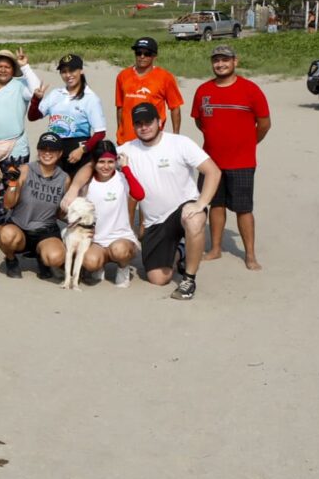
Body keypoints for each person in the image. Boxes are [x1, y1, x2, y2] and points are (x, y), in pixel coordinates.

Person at [119, 102, 221, 300]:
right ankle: (181, 250)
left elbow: (213, 171)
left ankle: (189, 279)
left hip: (184, 208)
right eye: (138, 123)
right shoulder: (126, 150)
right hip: (155, 221)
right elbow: (97, 163)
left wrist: (201, 203)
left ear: (159, 121)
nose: (144, 127)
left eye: (149, 122)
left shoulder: (179, 143)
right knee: (158, 278)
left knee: (194, 219)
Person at [191, 44, 271, 270]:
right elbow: (199, 121)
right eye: (216, 60)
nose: (220, 64)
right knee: (215, 204)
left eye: (225, 60)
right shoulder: (203, 90)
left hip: (242, 161)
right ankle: (215, 248)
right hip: (211, 162)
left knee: (243, 208)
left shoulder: (251, 90)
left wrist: (248, 143)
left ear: (235, 62)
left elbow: (264, 124)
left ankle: (250, 255)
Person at [65, 141, 143, 287]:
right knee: (90, 261)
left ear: (116, 161)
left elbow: (139, 194)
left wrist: (125, 168)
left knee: (120, 251)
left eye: (110, 162)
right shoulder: (87, 182)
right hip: (97, 239)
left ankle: (123, 268)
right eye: (101, 162)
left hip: (121, 237)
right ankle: (100, 266)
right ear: (94, 162)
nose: (106, 166)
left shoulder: (122, 178)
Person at [0, 132, 71, 280]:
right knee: (6, 236)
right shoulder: (24, 170)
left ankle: (42, 258)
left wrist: (79, 222)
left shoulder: (64, 179)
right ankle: (11, 260)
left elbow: (60, 212)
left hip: (45, 230)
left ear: (60, 153)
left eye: (52, 150)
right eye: (43, 149)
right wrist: (12, 184)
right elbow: (8, 204)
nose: (47, 153)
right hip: (20, 227)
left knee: (56, 258)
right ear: (38, 151)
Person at [0, 48, 41, 224]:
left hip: (16, 147)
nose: (3, 70)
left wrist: (25, 66)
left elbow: (36, 89)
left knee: (14, 187)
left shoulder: (20, 86)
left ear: (13, 69)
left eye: (7, 67)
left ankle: (13, 226)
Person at [35, 53, 107, 174]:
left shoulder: (91, 98)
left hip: (78, 151)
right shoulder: (56, 93)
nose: (68, 75)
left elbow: (100, 133)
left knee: (76, 190)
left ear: (81, 71)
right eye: (64, 71)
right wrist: (36, 99)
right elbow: (33, 116)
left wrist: (82, 150)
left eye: (72, 70)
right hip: (55, 148)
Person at [114, 36, 183, 144]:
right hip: (126, 141)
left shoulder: (165, 77)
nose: (142, 56)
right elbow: (120, 107)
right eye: (138, 52)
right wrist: (120, 131)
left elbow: (175, 108)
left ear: (154, 56)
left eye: (147, 54)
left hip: (152, 139)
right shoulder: (123, 76)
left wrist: (176, 136)